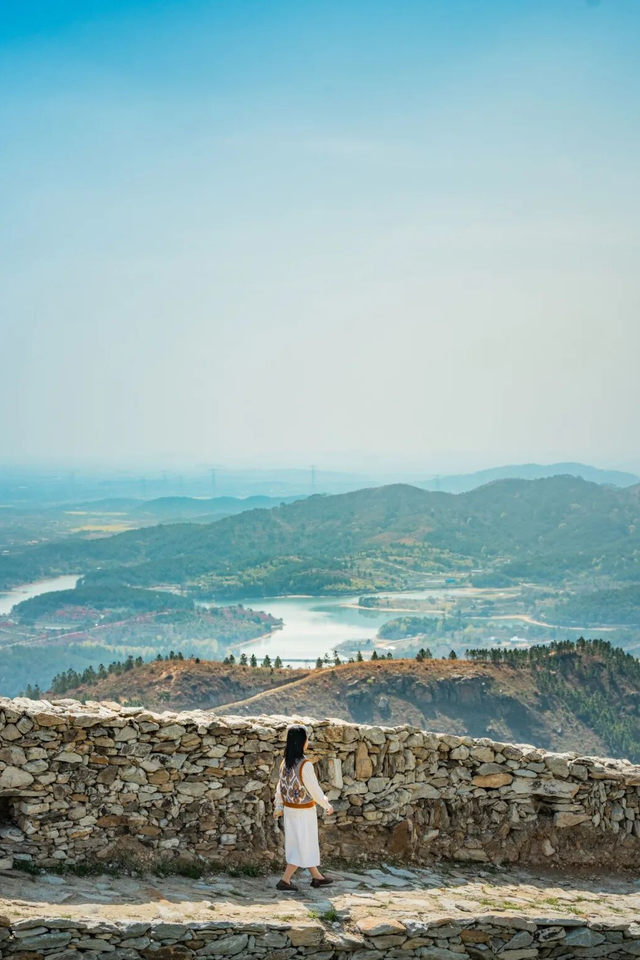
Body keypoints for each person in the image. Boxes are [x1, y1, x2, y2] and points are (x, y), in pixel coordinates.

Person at [273, 724, 335, 892]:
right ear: (302, 741)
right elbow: (314, 789)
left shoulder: (285, 763)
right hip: (304, 811)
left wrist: (278, 805)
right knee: (303, 844)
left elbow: (280, 787)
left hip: (290, 810)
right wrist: (326, 804)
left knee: (300, 843)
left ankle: (317, 877)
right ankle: (285, 880)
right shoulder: (304, 764)